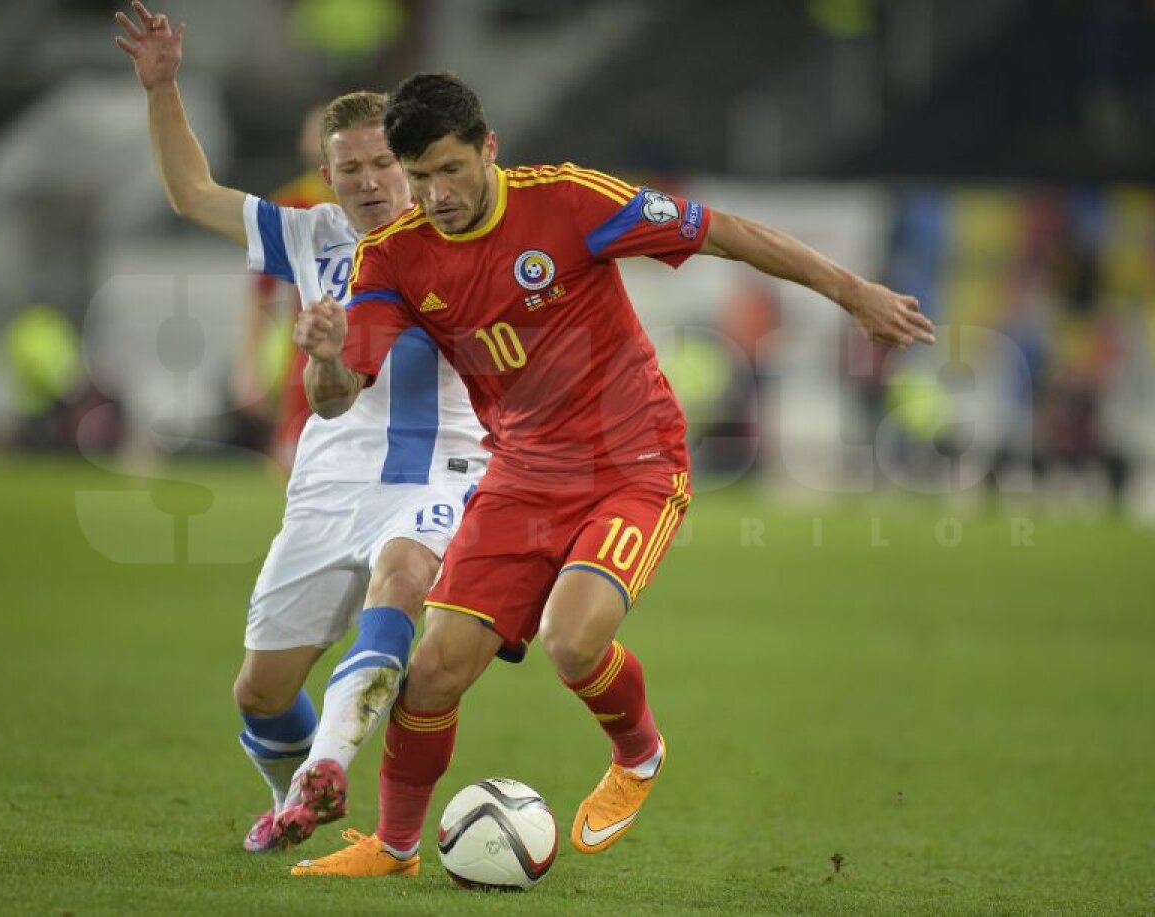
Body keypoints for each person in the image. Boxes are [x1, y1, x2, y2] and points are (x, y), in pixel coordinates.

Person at [289, 72, 936, 877]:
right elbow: (336, 394)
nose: (435, 193)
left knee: (571, 636)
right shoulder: (393, 254)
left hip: (633, 463)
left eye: (451, 169)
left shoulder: (566, 200)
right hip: (521, 473)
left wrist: (853, 291)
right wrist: (322, 358)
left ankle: (638, 752)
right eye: (418, 177)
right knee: (432, 671)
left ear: (489, 148)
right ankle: (395, 846)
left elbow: (723, 231)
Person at [113, 5, 487, 853]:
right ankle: (296, 798)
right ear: (323, 175)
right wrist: (164, 86)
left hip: (441, 470)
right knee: (259, 691)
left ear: (410, 160)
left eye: (383, 161)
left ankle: (329, 763)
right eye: (347, 167)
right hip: (326, 480)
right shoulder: (306, 233)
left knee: (403, 578)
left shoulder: (460, 233)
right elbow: (191, 193)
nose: (367, 181)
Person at [232, 103, 335, 473]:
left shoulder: (384, 206)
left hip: (375, 354)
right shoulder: (290, 205)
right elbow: (262, 294)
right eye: (315, 131)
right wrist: (249, 367)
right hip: (306, 358)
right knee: (294, 465)